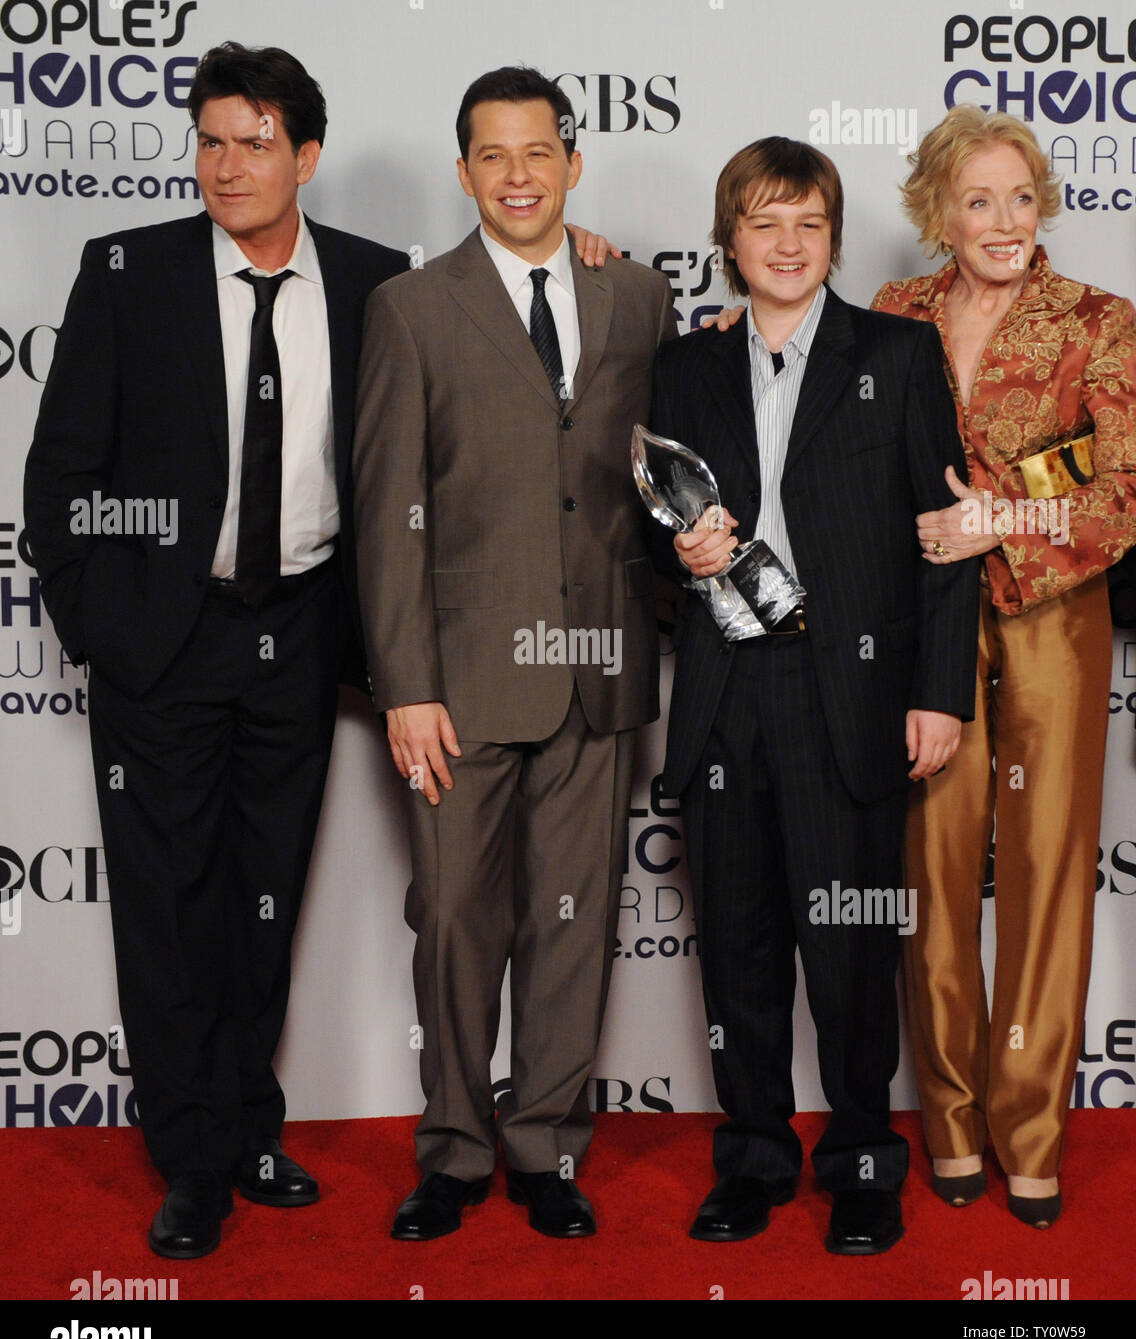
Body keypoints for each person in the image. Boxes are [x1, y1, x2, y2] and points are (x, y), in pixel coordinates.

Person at [22, 42, 411, 1258]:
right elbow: (61, 477)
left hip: (296, 634)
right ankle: (190, 1160)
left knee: (264, 895)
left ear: (304, 156)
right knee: (167, 904)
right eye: (209, 140)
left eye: (253, 142)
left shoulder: (372, 282)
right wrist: (106, 624)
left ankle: (250, 1126)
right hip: (162, 642)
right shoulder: (126, 271)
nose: (226, 165)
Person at [353, 65, 675, 1241]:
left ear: (572, 163)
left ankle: (542, 1144)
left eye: (537, 152)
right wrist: (407, 685)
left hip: (597, 666)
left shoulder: (635, 297)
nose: (517, 175)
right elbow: (389, 506)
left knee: (571, 917)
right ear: (462, 174)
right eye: (491, 156)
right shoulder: (411, 307)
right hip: (462, 677)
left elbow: (662, 464)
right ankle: (451, 1150)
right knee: (452, 916)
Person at [651, 137, 978, 1253]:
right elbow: (643, 530)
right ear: (727, 240)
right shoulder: (682, 366)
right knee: (736, 948)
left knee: (848, 951)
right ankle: (749, 1158)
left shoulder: (898, 349)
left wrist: (938, 695)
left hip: (852, 692)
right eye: (761, 223)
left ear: (832, 238)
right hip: (724, 686)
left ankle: (859, 1163)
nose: (785, 245)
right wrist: (678, 558)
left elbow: (944, 538)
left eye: (806, 223)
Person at [872, 105, 1136, 1228]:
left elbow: (1117, 483)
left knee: (1042, 873)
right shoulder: (890, 314)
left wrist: (1000, 513)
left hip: (1050, 619)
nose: (1001, 221)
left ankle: (1027, 1130)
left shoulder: (1100, 322)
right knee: (929, 872)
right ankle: (946, 1118)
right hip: (920, 622)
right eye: (975, 199)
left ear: (1045, 205)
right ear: (937, 210)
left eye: (1019, 197)